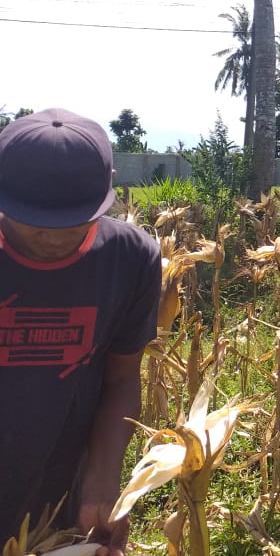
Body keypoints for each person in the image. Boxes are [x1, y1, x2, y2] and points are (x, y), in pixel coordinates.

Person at [0, 109, 160, 555]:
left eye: (72, 220)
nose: (52, 236)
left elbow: (122, 378)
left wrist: (103, 482)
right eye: (33, 219)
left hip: (62, 498)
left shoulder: (131, 258)